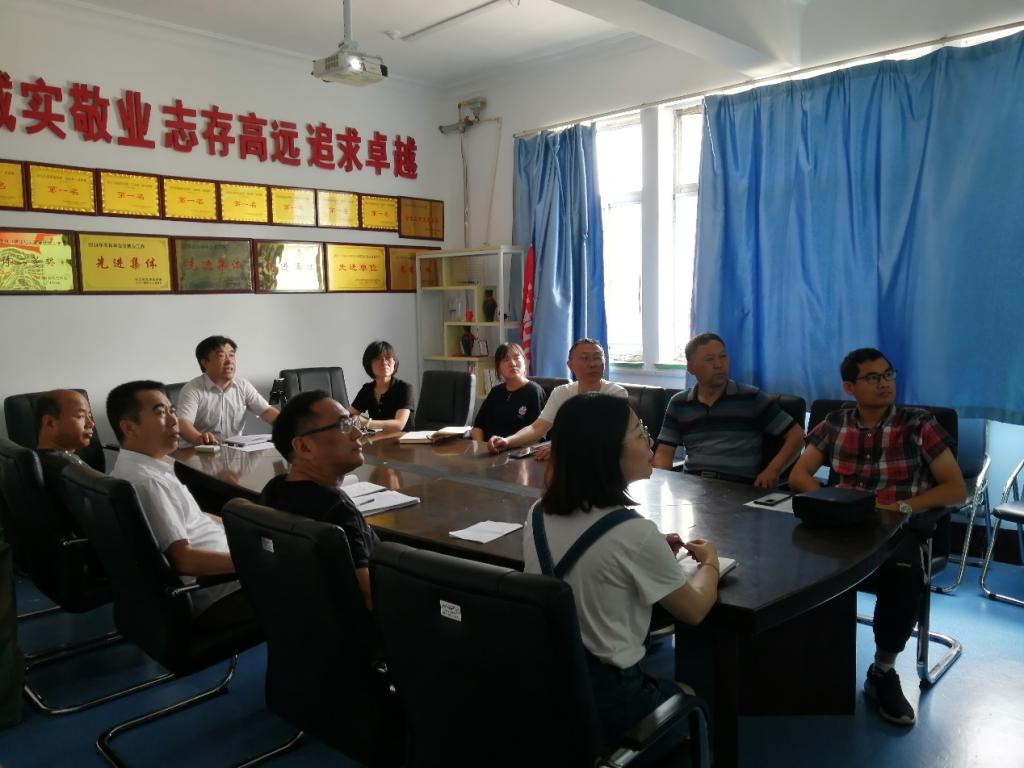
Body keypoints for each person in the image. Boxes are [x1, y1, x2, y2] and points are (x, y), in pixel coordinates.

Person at [523, 394, 720, 754]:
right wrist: (710, 562)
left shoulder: (538, 513)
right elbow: (694, 610)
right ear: (607, 450)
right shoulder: (634, 533)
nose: (650, 442)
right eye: (640, 433)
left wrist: (651, 553)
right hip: (610, 702)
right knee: (691, 696)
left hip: (549, 688)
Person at [789, 348, 966, 727]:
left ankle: (882, 671)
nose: (884, 383)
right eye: (873, 378)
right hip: (843, 526)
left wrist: (901, 507)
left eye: (888, 375)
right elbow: (799, 475)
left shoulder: (919, 425)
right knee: (791, 557)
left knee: (902, 575)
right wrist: (834, 504)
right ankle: (806, 662)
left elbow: (955, 490)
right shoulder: (835, 423)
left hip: (898, 529)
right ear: (849, 387)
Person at [107, 381, 248, 619]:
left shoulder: (140, 468)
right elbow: (183, 560)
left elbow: (195, 517)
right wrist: (254, 560)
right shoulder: (149, 482)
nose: (174, 420)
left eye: (172, 410)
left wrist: (247, 527)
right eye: (160, 413)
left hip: (228, 569)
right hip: (221, 590)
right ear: (129, 428)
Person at [260, 390, 380, 609]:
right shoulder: (336, 508)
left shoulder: (273, 490)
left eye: (352, 422)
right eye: (343, 425)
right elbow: (369, 596)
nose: (357, 433)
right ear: (304, 447)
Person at [653, 333, 804, 488]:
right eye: (710, 359)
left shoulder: (751, 398)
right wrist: (659, 483)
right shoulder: (679, 403)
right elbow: (664, 452)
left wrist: (773, 470)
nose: (719, 364)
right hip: (693, 485)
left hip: (739, 488)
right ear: (691, 367)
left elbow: (797, 436)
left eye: (723, 356)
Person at [488, 338, 626, 460]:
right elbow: (537, 428)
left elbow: (607, 437)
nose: (592, 364)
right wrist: (507, 441)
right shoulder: (561, 393)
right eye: (585, 358)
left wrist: (563, 449)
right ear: (570, 365)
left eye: (597, 357)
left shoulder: (616, 394)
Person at [177, 335, 279, 445]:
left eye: (231, 355)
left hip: (233, 450)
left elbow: (266, 412)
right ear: (205, 363)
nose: (229, 361)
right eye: (221, 356)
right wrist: (199, 438)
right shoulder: (192, 389)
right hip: (197, 450)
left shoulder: (242, 385)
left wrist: (287, 425)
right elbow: (183, 424)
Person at [469, 343, 547, 442]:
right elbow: (478, 426)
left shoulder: (534, 392)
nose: (513, 364)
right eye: (506, 360)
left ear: (524, 362)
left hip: (519, 449)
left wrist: (507, 444)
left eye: (517, 358)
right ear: (498, 368)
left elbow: (537, 433)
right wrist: (480, 446)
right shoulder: (495, 392)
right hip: (489, 448)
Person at [349, 340, 415, 432]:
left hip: (403, 439)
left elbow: (398, 425)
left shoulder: (405, 388)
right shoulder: (367, 389)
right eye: (377, 358)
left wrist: (366, 422)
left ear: (394, 362)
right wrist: (354, 418)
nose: (384, 362)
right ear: (369, 364)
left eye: (388, 358)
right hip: (377, 438)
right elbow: (349, 415)